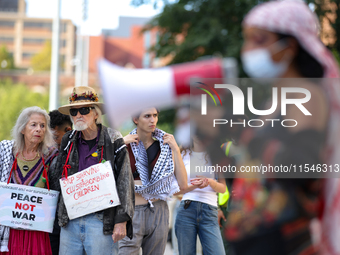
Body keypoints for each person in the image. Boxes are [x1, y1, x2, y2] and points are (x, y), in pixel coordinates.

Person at [215, 1, 340, 254]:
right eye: (246, 40)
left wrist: (243, 133)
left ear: (290, 46)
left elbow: (302, 168)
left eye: (259, 40)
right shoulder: (272, 101)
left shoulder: (306, 94)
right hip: (257, 240)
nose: (248, 49)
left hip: (285, 242)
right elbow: (253, 172)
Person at [49, 86, 134, 255]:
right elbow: (58, 175)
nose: (78, 115)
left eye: (84, 110)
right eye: (74, 112)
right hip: (70, 220)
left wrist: (121, 221)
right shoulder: (67, 139)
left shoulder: (113, 138)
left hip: (101, 220)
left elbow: (125, 180)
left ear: (96, 113)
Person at [119, 107, 187, 255]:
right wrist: (120, 144)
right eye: (147, 116)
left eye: (155, 115)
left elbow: (183, 184)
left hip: (158, 210)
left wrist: (176, 149)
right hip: (131, 211)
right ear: (135, 119)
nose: (153, 120)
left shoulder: (165, 147)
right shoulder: (123, 145)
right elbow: (107, 176)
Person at [0, 106, 58, 254]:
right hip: (9, 230)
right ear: (22, 129)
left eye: (42, 125)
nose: (38, 129)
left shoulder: (52, 156)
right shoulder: (6, 151)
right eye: (33, 125)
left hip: (37, 230)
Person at [175, 136, 226, 255]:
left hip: (209, 212)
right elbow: (173, 190)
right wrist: (193, 187)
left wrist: (210, 182)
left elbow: (223, 188)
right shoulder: (181, 154)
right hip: (186, 210)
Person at [48, 110, 72, 255]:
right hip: (49, 220)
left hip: (72, 220)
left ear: (68, 130)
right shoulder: (46, 152)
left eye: (55, 137)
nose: (51, 142)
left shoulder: (78, 151)